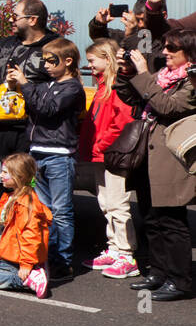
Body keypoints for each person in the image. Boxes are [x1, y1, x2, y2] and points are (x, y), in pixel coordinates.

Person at [114, 28, 196, 301]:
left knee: (173, 221)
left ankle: (181, 280)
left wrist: (142, 74)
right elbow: (133, 98)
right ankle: (159, 271)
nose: (165, 53)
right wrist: (126, 73)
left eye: (173, 49)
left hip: (172, 159)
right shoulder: (162, 76)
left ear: (189, 53)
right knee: (151, 217)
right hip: (147, 155)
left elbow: (168, 107)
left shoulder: (191, 81)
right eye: (165, 48)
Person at [7, 36, 85, 281]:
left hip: (60, 156)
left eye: (52, 61)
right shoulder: (48, 84)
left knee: (61, 211)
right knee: (43, 210)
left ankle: (63, 261)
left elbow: (47, 110)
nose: (46, 66)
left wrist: (26, 84)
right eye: (45, 61)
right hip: (37, 153)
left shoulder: (72, 87)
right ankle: (46, 255)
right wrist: (14, 85)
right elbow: (32, 104)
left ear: (68, 61)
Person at [0, 0, 55, 216]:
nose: (12, 20)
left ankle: (21, 236)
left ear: (33, 19)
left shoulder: (54, 46)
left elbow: (61, 88)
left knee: (25, 186)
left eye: (16, 16)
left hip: (30, 132)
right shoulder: (6, 44)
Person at [79, 38, 139, 279]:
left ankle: (126, 254)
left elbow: (120, 124)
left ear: (107, 58)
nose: (89, 65)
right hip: (101, 154)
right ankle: (114, 248)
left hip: (110, 154)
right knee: (106, 204)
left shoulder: (116, 87)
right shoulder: (103, 86)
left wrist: (102, 145)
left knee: (117, 204)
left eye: (93, 60)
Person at [0, 153, 52, 298]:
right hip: (6, 250)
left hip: (13, 254)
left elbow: (31, 235)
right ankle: (36, 267)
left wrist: (26, 264)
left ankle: (28, 279)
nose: (0, 175)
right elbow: (6, 220)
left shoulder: (26, 204)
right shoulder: (12, 196)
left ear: (19, 177)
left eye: (5, 172)